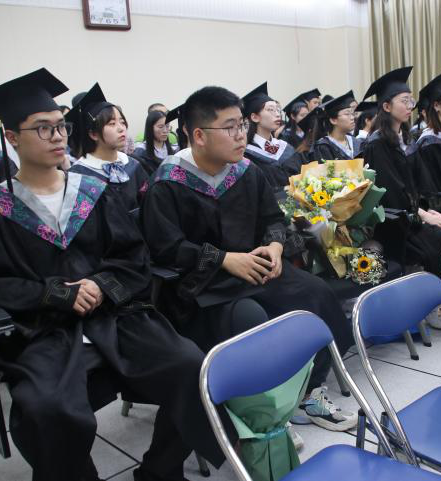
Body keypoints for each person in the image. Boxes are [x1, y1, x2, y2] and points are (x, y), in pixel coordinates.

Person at [0, 67, 231, 481]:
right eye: (43, 128)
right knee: (45, 408)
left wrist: (100, 284)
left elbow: (133, 257)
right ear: (12, 138)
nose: (57, 136)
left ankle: (160, 472)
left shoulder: (92, 192)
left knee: (192, 366)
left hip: (115, 317)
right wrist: (55, 293)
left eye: (60, 126)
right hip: (45, 330)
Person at [140, 85, 356, 431]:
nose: (241, 135)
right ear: (199, 135)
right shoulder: (168, 181)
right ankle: (262, 413)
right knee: (250, 318)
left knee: (317, 296)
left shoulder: (246, 171)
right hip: (203, 285)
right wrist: (223, 259)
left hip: (256, 268)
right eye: (230, 127)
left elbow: (272, 220)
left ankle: (308, 391)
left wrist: (275, 246)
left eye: (242, 124)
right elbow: (165, 248)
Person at [359, 67, 441, 278]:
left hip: (414, 216)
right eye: (404, 101)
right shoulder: (377, 145)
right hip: (394, 224)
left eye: (411, 101)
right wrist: (423, 216)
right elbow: (393, 194)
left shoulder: (406, 139)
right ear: (386, 106)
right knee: (436, 244)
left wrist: (430, 209)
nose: (410, 106)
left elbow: (422, 182)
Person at [66, 83, 148, 211]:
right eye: (112, 123)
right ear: (93, 134)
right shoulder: (79, 176)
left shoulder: (133, 165)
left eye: (122, 122)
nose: (121, 128)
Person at [242, 82, 301, 191]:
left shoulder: (285, 148)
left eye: (278, 110)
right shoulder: (247, 156)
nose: (278, 114)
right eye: (270, 110)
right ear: (255, 117)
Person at [311, 90, 362, 161]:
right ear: (333, 120)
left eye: (352, 113)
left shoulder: (356, 142)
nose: (352, 118)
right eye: (347, 114)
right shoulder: (324, 147)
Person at [133, 110, 176, 175]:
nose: (165, 131)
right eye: (160, 127)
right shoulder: (141, 152)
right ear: (150, 128)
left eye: (167, 126)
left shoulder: (173, 150)